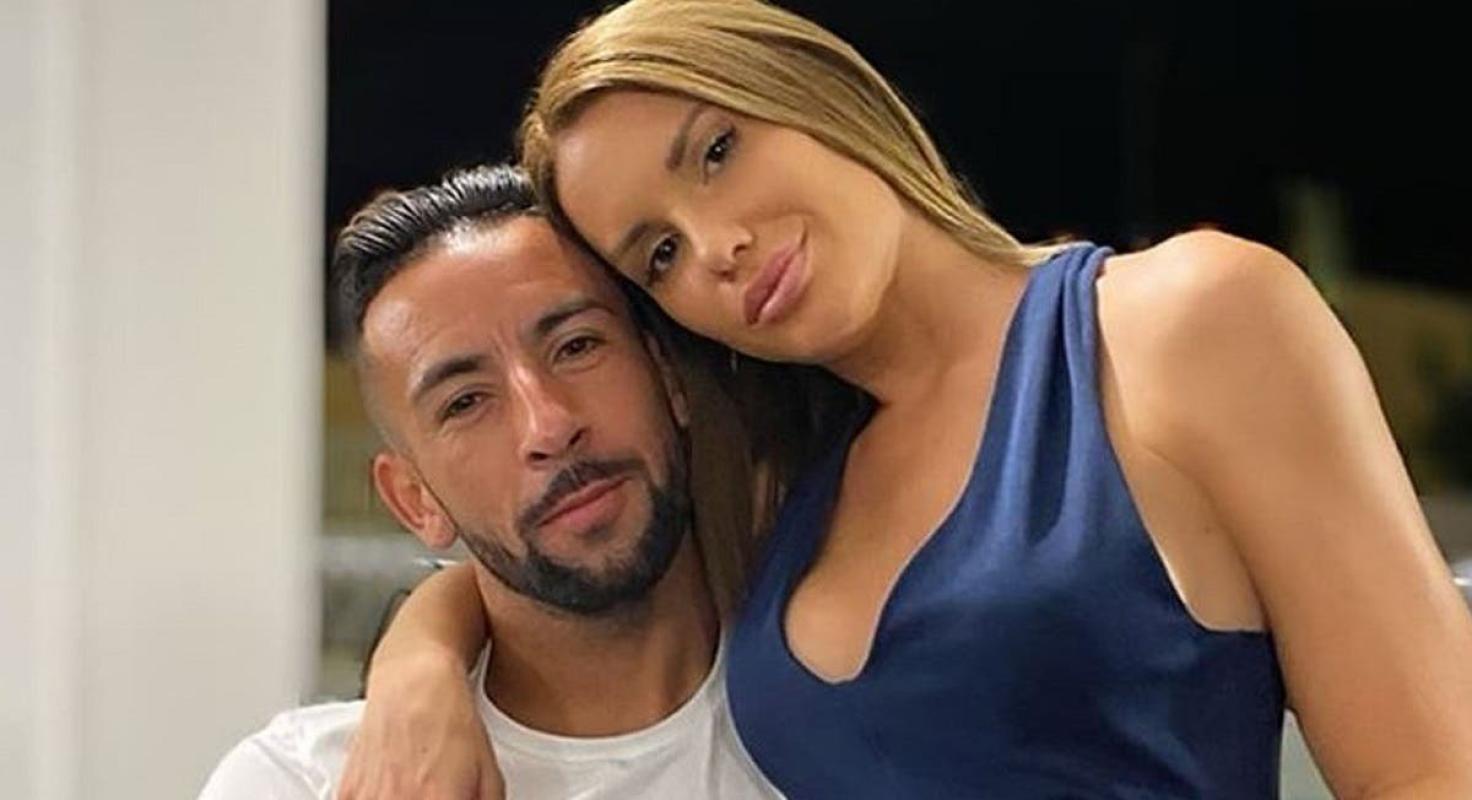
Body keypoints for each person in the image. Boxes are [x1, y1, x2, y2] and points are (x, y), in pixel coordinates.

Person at [344, 1, 1472, 796]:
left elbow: (1430, 770)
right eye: (660, 254)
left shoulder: (1180, 326)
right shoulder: (783, 474)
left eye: (717, 151)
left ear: (814, 90)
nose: (717, 245)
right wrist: (418, 667)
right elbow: (553, 555)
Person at [199, 164, 782, 799]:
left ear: (668, 376)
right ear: (414, 500)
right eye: (466, 402)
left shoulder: (839, 712)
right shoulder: (300, 783)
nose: (548, 425)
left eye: (576, 347)